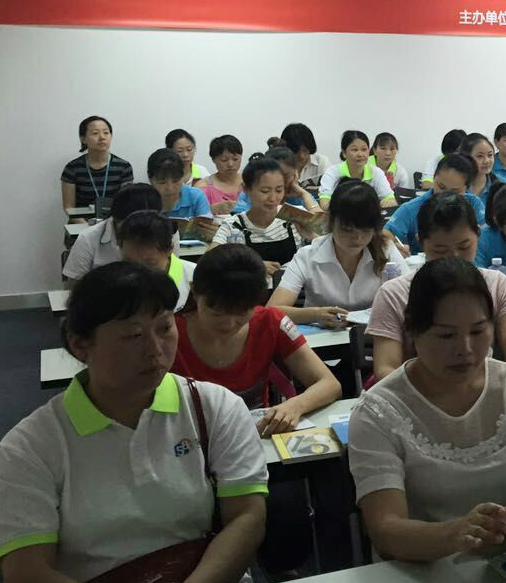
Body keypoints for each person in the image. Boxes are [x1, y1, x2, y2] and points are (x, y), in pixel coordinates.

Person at [0, 262, 267, 583]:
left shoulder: (214, 408)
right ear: (80, 344)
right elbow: (28, 575)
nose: (155, 350)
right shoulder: (27, 450)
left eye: (164, 328)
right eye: (132, 336)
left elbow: (246, 517)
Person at [349, 257, 506, 563]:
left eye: (478, 331)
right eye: (446, 335)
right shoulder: (378, 411)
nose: (466, 349)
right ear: (412, 329)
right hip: (420, 574)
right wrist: (457, 534)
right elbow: (385, 530)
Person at [172, 245, 341, 424]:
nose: (229, 324)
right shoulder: (168, 333)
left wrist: (295, 406)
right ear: (194, 291)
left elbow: (330, 384)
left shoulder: (270, 322)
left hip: (255, 431)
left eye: (242, 313)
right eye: (217, 313)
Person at [368, 194, 506, 380]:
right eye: (440, 250)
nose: (454, 257)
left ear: (478, 235)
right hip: (417, 392)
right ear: (421, 243)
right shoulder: (394, 294)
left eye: (464, 247)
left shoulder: (496, 284)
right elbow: (386, 369)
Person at [268, 181, 404, 327]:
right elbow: (272, 311)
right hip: (321, 338)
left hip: (372, 336)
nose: (357, 238)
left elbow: (408, 300)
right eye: (347, 229)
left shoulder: (386, 251)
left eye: (365, 230)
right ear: (331, 222)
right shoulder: (307, 256)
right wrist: (315, 315)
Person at [208, 156, 306, 274]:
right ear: (246, 189)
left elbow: (323, 247)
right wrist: (253, 266)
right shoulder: (233, 225)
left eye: (279, 190)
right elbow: (209, 261)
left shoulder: (293, 216)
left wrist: (311, 235)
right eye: (265, 191)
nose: (273, 198)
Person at [384, 153, 485, 254]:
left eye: (454, 192)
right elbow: (385, 236)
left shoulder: (473, 204)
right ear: (434, 178)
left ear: (466, 188)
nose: (445, 196)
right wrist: (393, 248)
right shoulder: (412, 208)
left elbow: (486, 235)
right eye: (441, 187)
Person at [63, 184, 162, 285]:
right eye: (131, 225)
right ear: (115, 218)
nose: (136, 234)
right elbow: (74, 288)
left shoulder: (163, 234)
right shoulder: (88, 238)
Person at [117, 210, 195, 312]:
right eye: (130, 263)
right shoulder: (113, 284)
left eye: (149, 264)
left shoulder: (196, 277)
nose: (137, 273)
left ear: (170, 249)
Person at [60, 115, 134, 213]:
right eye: (95, 133)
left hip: (114, 219)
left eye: (106, 132)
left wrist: (110, 222)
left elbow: (126, 203)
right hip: (81, 220)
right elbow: (69, 207)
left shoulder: (124, 167)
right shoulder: (72, 168)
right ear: (83, 139)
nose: (102, 137)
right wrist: (84, 222)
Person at [232, 145, 322, 221]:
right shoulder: (251, 193)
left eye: (285, 176)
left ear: (295, 175)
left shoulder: (298, 196)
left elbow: (321, 225)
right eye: (265, 191)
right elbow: (240, 218)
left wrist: (304, 194)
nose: (278, 180)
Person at [147, 148, 217, 242]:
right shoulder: (144, 199)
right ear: (151, 180)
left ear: (183, 176)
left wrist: (212, 235)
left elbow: (206, 231)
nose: (170, 188)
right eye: (162, 182)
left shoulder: (195, 196)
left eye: (176, 181)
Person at [319, 131, 397, 208]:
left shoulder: (376, 172)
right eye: (355, 150)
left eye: (364, 149)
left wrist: (387, 201)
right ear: (344, 153)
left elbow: (390, 199)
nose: (360, 154)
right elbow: (324, 203)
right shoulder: (333, 172)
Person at [199, 135, 244, 214]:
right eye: (224, 160)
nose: (230, 164)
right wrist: (211, 209)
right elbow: (191, 216)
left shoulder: (250, 182)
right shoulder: (203, 187)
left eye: (235, 159)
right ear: (213, 160)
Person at [281, 123, 329, 187]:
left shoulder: (321, 162)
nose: (301, 156)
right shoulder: (278, 165)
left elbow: (328, 189)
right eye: (295, 152)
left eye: (305, 150)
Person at [458, 132, 496, 201]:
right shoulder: (455, 185)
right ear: (466, 157)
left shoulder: (501, 185)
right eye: (480, 156)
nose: (487, 161)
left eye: (490, 155)